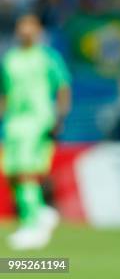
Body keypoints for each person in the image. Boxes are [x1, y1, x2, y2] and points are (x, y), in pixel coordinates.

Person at [0, 14, 71, 250]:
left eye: (30, 25)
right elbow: (4, 94)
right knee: (11, 172)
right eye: (22, 25)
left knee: (26, 171)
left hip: (37, 120)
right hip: (13, 122)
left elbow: (62, 87)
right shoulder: (9, 59)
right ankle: (40, 213)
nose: (25, 30)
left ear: (39, 30)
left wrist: (59, 118)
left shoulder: (48, 57)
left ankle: (33, 224)